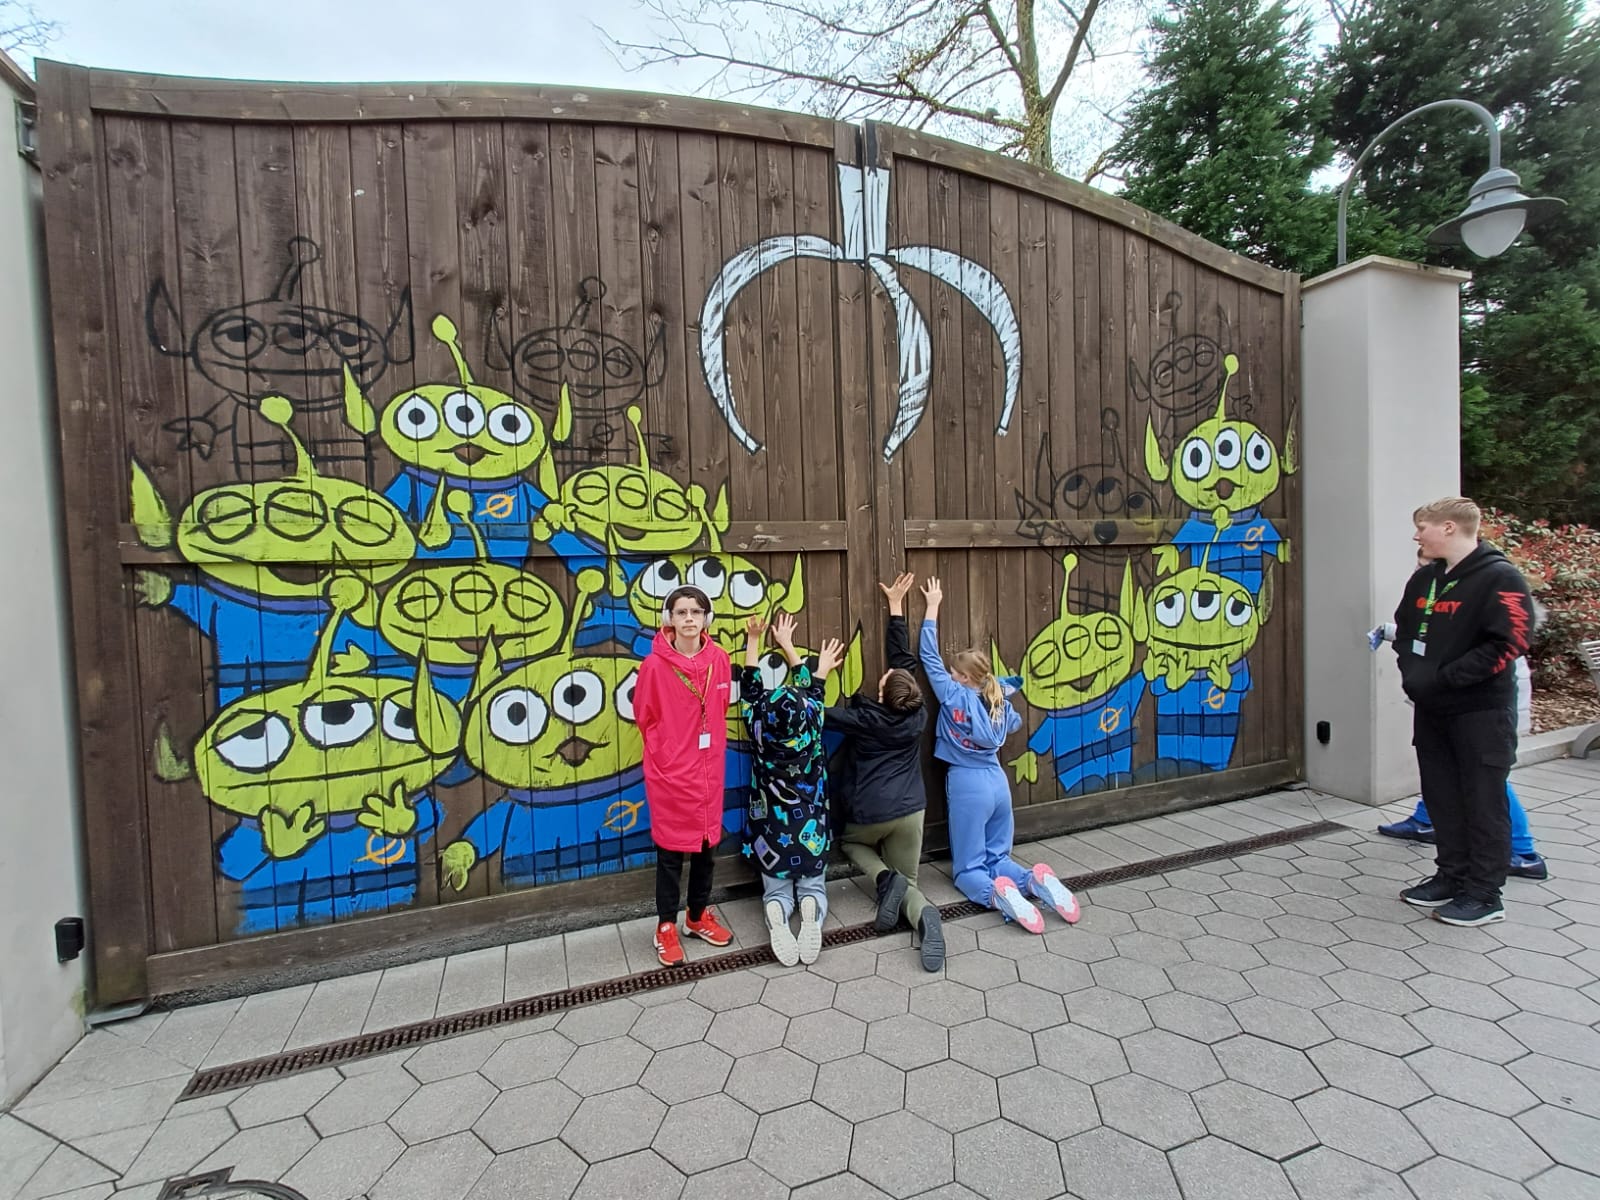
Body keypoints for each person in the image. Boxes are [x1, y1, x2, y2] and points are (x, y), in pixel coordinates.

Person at [1391, 497, 1534, 926]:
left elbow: (1511, 641)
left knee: (1483, 801)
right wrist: (1414, 674)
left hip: (1481, 712)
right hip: (1432, 710)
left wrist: (1447, 678)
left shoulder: (1500, 577)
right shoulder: (1426, 579)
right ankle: (1450, 876)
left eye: (1423, 528)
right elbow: (1405, 631)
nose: (1416, 536)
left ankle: (1485, 894)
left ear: (1450, 527)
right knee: (1443, 796)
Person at [1371, 551, 1549, 881]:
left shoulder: (1491, 585)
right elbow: (1427, 634)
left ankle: (1522, 851)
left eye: (1424, 563)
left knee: (1489, 783)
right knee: (1443, 776)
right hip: (1441, 702)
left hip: (1484, 703)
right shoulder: (1433, 585)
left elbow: (1483, 643)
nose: (1420, 568)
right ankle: (1428, 822)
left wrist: (1440, 678)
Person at [918, 576, 1080, 934]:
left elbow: (928, 656)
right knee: (998, 856)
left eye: (953, 672)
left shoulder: (953, 695)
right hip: (997, 783)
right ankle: (1034, 880)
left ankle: (997, 894)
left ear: (963, 678)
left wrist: (932, 607)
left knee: (969, 869)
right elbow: (1015, 721)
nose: (949, 675)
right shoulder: (999, 700)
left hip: (967, 783)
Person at [826, 573, 945, 971]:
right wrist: (896, 607)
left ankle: (882, 880)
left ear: (882, 691)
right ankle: (925, 916)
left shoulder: (864, 719)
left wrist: (812, 670)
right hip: (912, 812)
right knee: (909, 884)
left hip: (870, 814)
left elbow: (817, 714)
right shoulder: (917, 713)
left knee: (850, 845)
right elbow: (903, 661)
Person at [635, 584, 736, 966]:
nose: (689, 618)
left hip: (709, 769)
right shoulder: (654, 666)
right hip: (671, 772)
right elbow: (644, 716)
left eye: (696, 611)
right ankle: (665, 926)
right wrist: (667, 753)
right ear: (670, 619)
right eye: (681, 612)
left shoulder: (719, 660)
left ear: (706, 618)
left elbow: (720, 705)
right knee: (670, 853)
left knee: (707, 848)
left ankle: (696, 916)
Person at [740, 613, 842, 966]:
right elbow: (813, 690)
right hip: (811, 825)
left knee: (776, 888)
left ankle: (777, 909)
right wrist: (794, 651)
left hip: (772, 830)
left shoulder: (758, 728)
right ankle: (811, 907)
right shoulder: (813, 723)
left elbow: (750, 689)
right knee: (813, 885)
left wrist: (754, 639)